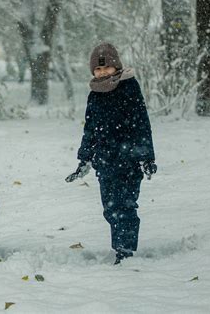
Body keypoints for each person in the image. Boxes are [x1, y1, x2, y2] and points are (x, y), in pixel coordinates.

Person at [66, 42, 157, 265]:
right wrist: (84, 158)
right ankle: (119, 247)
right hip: (105, 163)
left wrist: (146, 156)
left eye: (106, 68)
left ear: (116, 67)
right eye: (98, 69)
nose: (102, 72)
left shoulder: (129, 88)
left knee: (125, 205)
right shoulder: (95, 94)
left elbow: (141, 124)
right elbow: (90, 129)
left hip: (129, 161)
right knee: (110, 208)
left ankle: (125, 250)